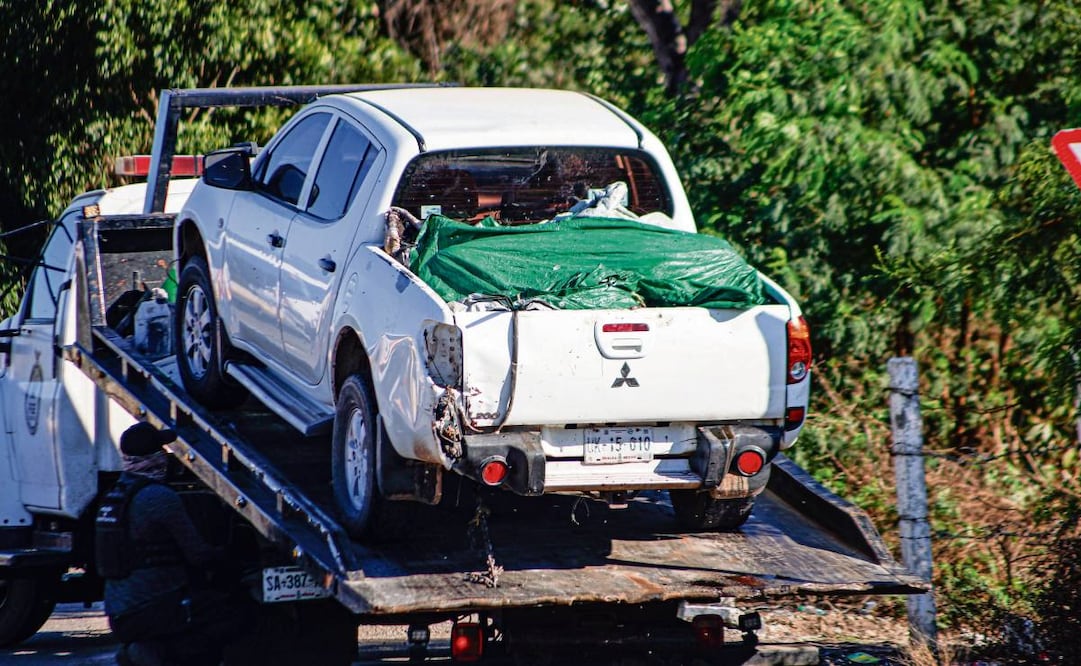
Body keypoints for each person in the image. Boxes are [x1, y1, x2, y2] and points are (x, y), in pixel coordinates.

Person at [97, 422, 251, 666]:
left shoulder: (113, 497)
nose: (166, 456)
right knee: (231, 615)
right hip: (153, 609)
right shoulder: (159, 497)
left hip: (119, 614)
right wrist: (232, 557)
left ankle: (147, 649)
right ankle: (152, 654)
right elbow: (198, 554)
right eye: (161, 450)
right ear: (155, 457)